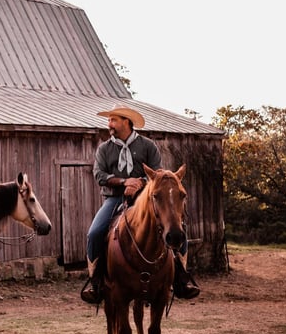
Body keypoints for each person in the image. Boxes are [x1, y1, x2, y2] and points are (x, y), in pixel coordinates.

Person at [80, 104, 200, 305]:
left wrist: (140, 184)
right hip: (114, 199)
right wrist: (123, 182)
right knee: (95, 232)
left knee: (177, 227)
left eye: (113, 120)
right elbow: (99, 175)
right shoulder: (104, 148)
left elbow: (159, 175)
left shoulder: (147, 146)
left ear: (126, 122)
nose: (109, 124)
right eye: (109, 120)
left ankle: (181, 278)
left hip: (147, 198)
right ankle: (96, 281)